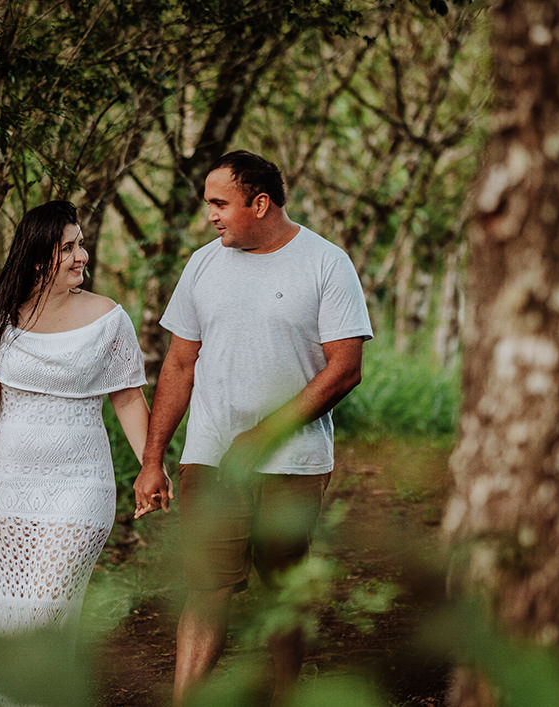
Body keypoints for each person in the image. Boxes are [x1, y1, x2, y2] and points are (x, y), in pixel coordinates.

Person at [133, 151, 373, 705]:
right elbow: (179, 364)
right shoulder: (203, 264)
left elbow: (346, 369)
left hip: (293, 463)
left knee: (282, 593)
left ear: (259, 203)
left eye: (219, 204)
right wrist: (153, 460)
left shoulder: (325, 263)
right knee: (207, 590)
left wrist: (266, 434)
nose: (210, 216)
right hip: (211, 458)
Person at [0, 201, 149, 669]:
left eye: (81, 244)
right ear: (40, 259)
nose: (84, 255)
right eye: (70, 247)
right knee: (14, 612)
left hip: (80, 486)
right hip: (6, 489)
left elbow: (128, 398)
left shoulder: (108, 318)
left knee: (49, 605)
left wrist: (151, 466)